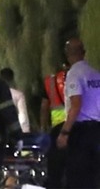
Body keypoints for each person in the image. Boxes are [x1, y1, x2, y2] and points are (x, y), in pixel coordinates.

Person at [56, 37, 100, 188]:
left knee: (78, 177)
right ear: (84, 53)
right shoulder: (95, 74)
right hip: (97, 130)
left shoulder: (74, 75)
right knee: (94, 176)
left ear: (67, 55)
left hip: (81, 132)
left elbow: (76, 105)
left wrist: (65, 132)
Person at [40, 63, 68, 188]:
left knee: (56, 163)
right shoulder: (79, 79)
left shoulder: (50, 82)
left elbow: (44, 107)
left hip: (57, 128)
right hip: (77, 127)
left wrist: (43, 126)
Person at [0, 67, 30, 133]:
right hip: (14, 131)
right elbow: (23, 116)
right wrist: (25, 132)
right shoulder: (18, 95)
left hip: (1, 131)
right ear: (12, 79)